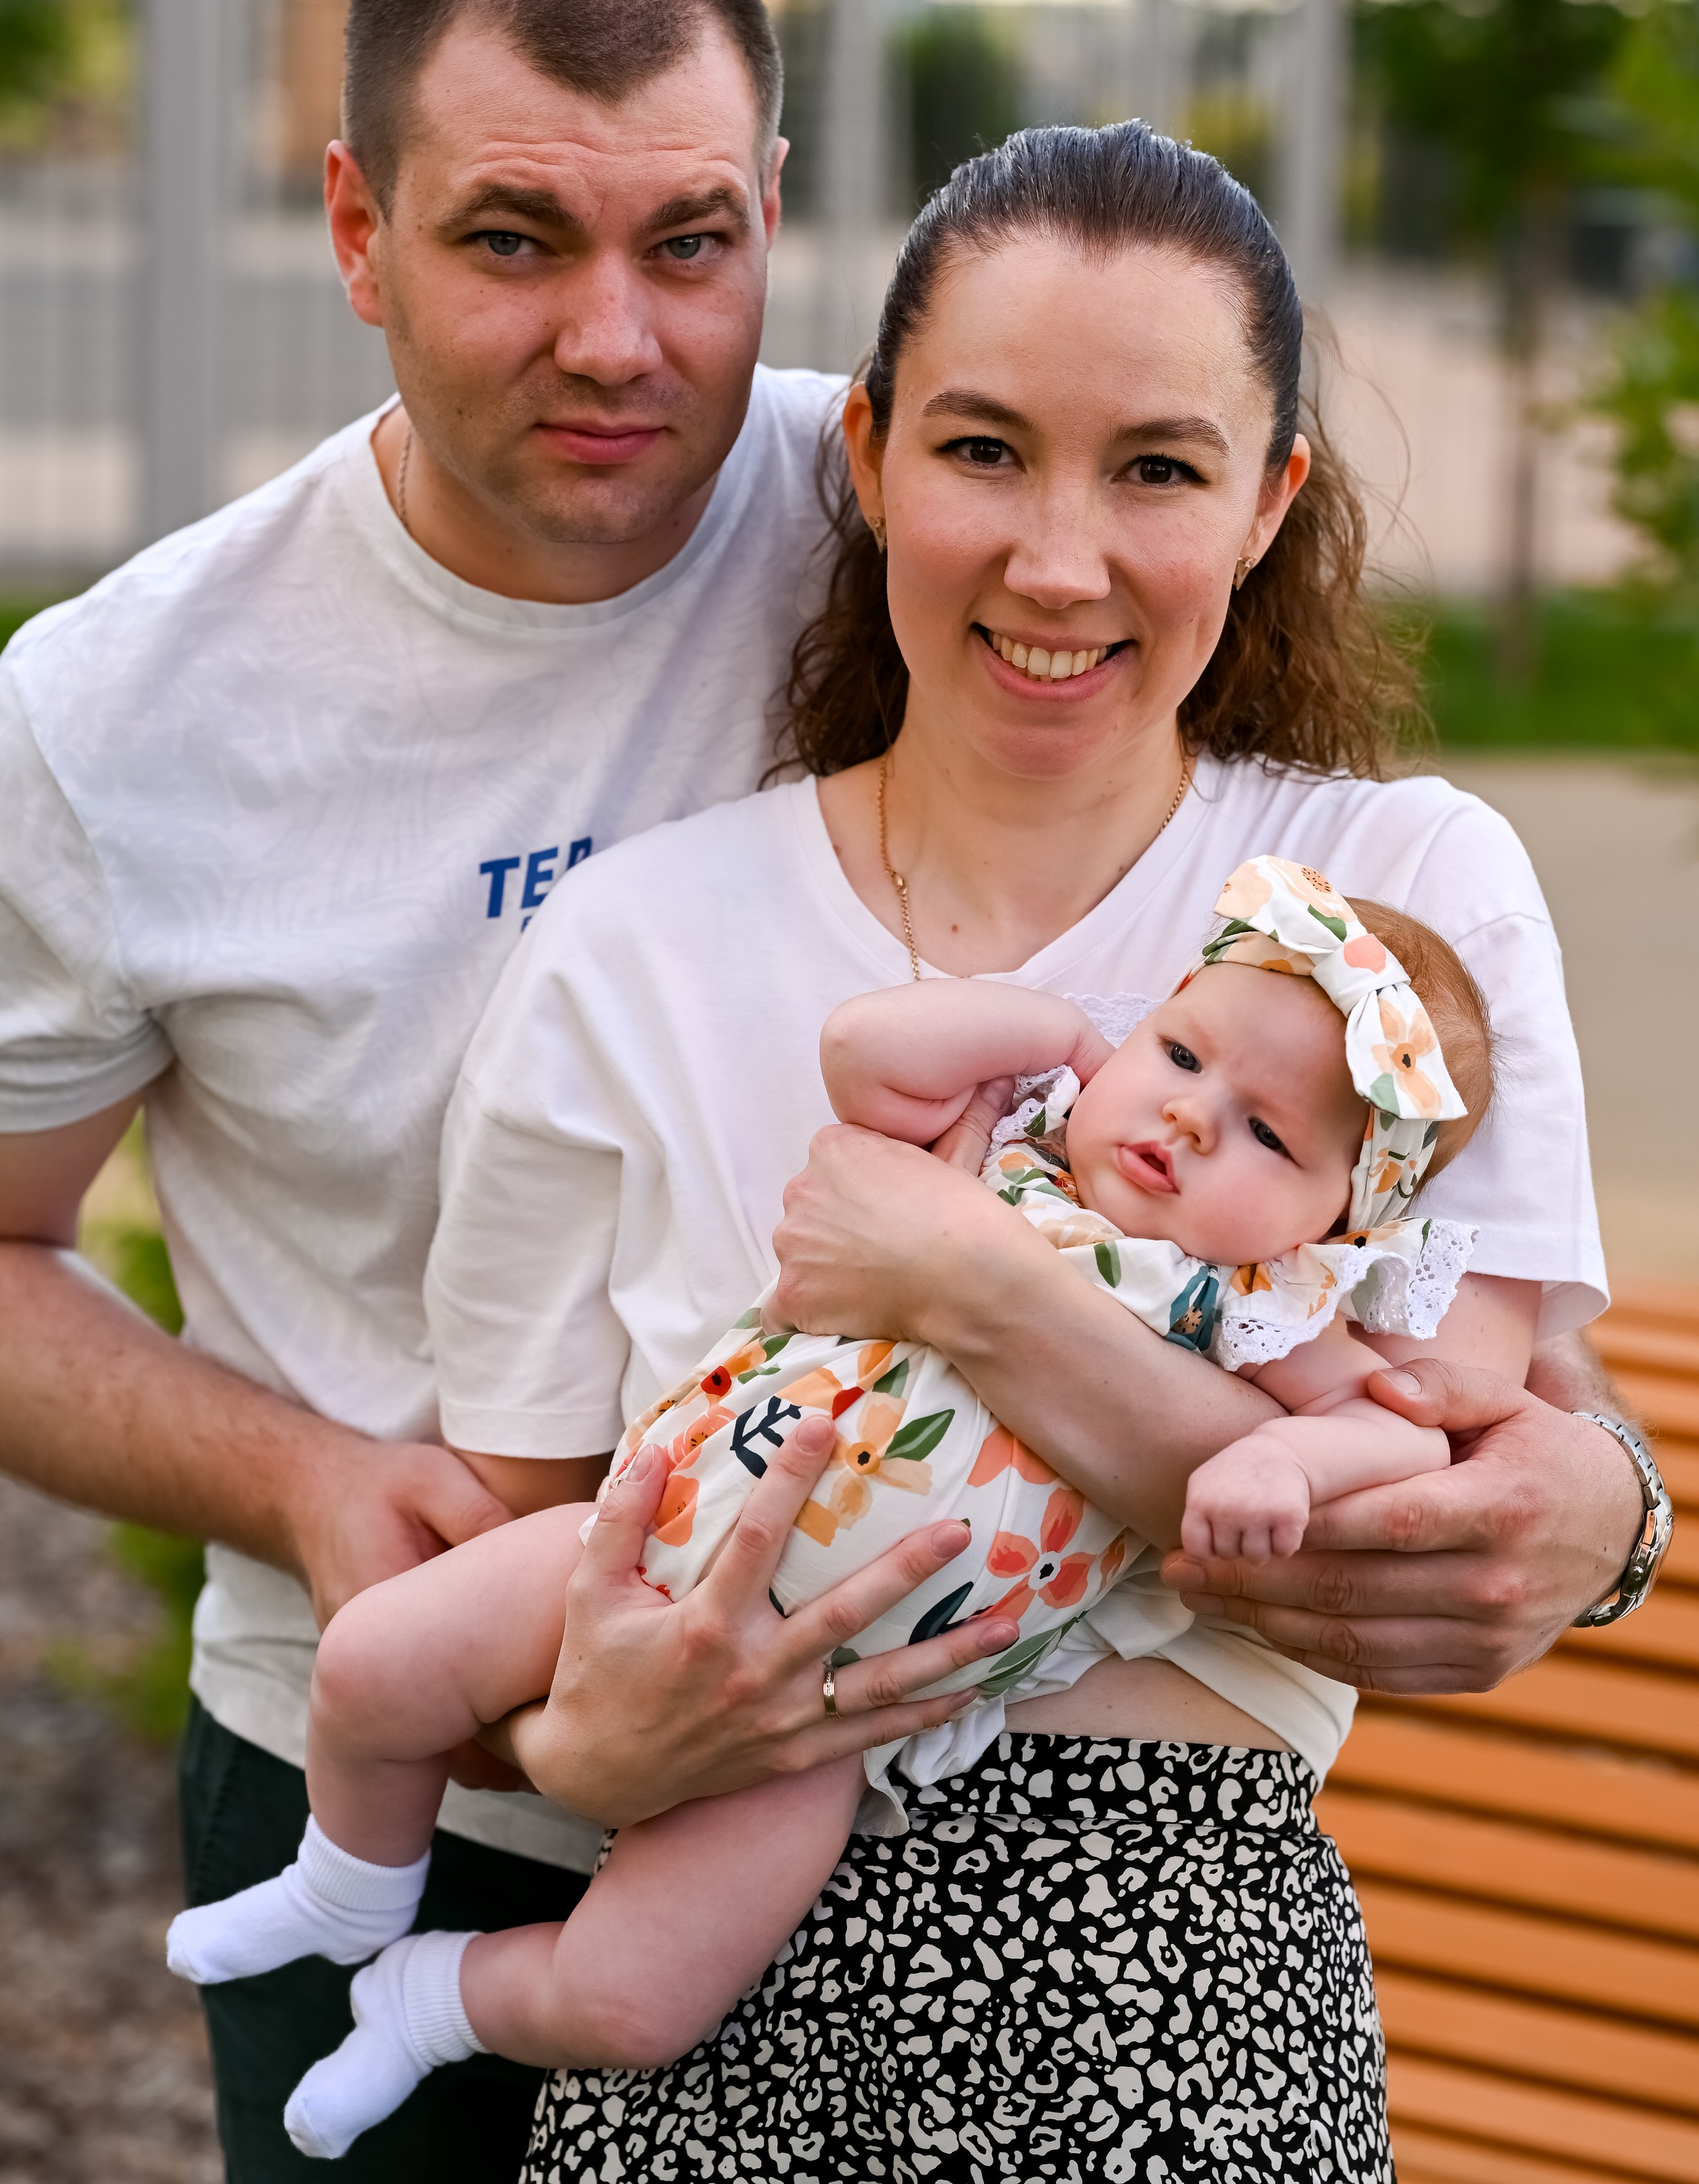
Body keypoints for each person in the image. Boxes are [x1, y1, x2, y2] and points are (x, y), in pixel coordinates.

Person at [420, 122, 1659, 2183]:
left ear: (1269, 505)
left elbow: (1429, 1514)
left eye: (1159, 469)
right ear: (871, 454)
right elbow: (527, 1562)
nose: (1060, 561)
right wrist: (574, 1743)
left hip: (1172, 2016)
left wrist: (970, 1282)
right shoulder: (636, 944)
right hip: (699, 1980)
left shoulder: (1395, 905)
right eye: (985, 450)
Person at [0, 0, 1005, 2182]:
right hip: (395, 1791)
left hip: (913, 1785)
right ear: (356, 229)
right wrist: (306, 1485)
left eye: (688, 242)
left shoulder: (936, 539)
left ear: (772, 211)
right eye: (512, 238)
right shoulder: (119, 712)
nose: (619, 336)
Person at [161, 853, 1507, 2166]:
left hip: (827, 1708)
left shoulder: (1251, 1309)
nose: (1193, 1116)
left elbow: (1400, 1436)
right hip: (650, 1526)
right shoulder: (1012, 1145)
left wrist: (1286, 1463)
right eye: (1178, 1053)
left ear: (1337, 1220)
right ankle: (345, 1884)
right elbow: (866, 1049)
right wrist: (1054, 1030)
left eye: (1268, 1133)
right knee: (373, 1660)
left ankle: (430, 2000)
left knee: (630, 1999)